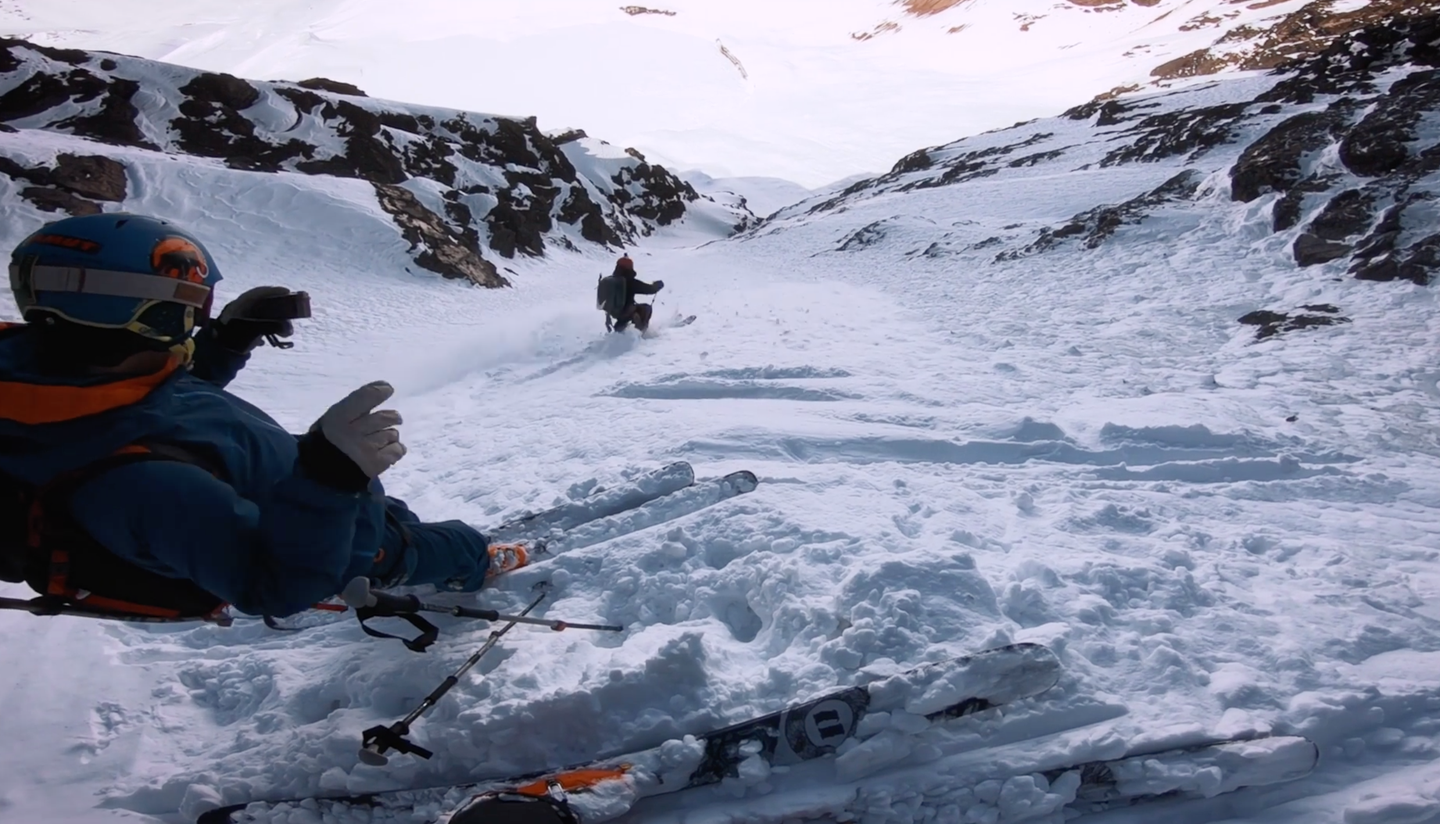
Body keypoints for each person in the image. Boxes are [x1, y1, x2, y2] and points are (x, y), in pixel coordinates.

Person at [0, 213, 527, 622]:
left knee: (389, 512)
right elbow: (274, 587)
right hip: (310, 528)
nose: (194, 322)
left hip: (302, 482)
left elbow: (156, 408)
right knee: (430, 543)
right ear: (144, 314)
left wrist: (228, 341)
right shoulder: (145, 485)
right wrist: (330, 482)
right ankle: (474, 565)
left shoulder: (51, 375)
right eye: (185, 308)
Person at [608, 255, 663, 333]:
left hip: (614, 311)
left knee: (627, 314)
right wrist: (657, 286)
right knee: (646, 308)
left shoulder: (611, 280)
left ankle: (619, 329)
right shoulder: (630, 282)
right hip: (627, 310)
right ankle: (641, 332)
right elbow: (649, 289)